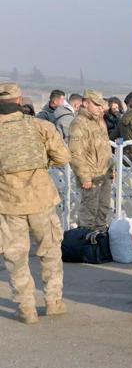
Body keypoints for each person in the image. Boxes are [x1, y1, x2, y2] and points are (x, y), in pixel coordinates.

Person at [0, 82, 71, 324]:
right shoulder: (41, 126)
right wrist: (41, 165)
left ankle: (26, 309)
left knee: (16, 258)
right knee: (50, 252)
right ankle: (53, 302)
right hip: (41, 199)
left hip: (8, 204)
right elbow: (63, 157)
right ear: (19, 101)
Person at [69, 90, 114, 232]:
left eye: (101, 105)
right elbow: (75, 153)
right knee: (89, 212)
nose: (100, 108)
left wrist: (111, 169)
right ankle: (85, 244)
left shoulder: (100, 121)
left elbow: (106, 148)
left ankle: (99, 242)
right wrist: (84, 176)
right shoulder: (78, 123)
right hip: (91, 175)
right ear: (86, 103)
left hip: (104, 173)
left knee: (103, 209)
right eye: (96, 104)